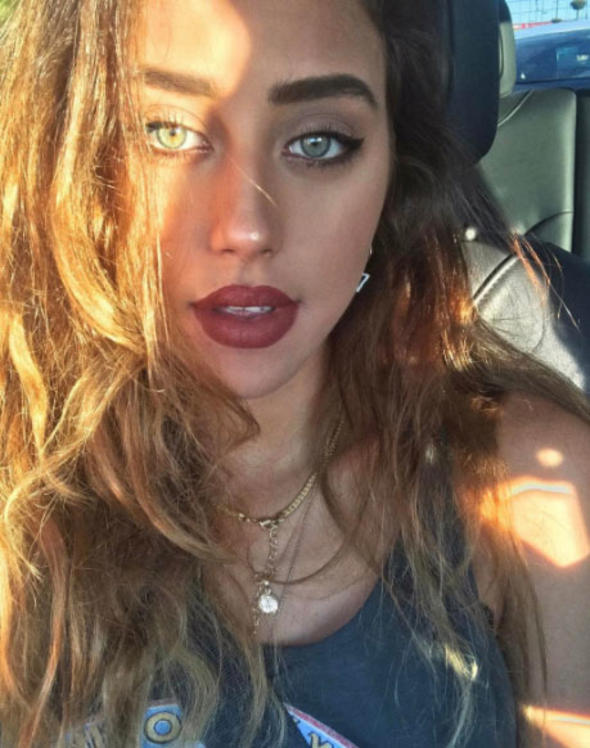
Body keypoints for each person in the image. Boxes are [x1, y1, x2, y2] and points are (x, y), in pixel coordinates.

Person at [0, 0, 588, 746]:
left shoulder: (528, 485)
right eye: (164, 132)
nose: (247, 228)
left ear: (393, 176)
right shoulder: (22, 494)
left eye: (319, 142)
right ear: (66, 157)